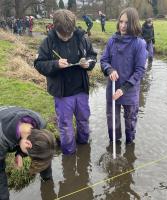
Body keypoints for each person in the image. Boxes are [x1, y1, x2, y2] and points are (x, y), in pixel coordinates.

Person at [34, 9, 97, 155]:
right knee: (65, 126)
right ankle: (68, 153)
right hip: (62, 94)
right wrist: (55, 64)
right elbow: (39, 64)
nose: (67, 37)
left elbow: (93, 56)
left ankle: (84, 147)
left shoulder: (82, 38)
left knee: (83, 121)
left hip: (81, 90)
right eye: (63, 35)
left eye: (70, 33)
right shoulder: (48, 42)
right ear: (55, 28)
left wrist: (88, 64)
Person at [100, 7, 147, 144]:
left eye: (126, 22)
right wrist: (109, 70)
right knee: (112, 120)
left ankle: (129, 146)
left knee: (130, 122)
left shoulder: (139, 44)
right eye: (121, 21)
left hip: (129, 90)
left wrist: (124, 89)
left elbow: (139, 70)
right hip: (113, 88)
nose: (123, 25)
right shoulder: (112, 41)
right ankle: (115, 144)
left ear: (133, 24)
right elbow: (104, 60)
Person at [0, 106, 55, 200]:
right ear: (27, 144)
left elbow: (40, 151)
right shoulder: (2, 140)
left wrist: (20, 154)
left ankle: (47, 179)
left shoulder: (40, 124)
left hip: (15, 115)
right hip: (3, 120)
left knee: (44, 152)